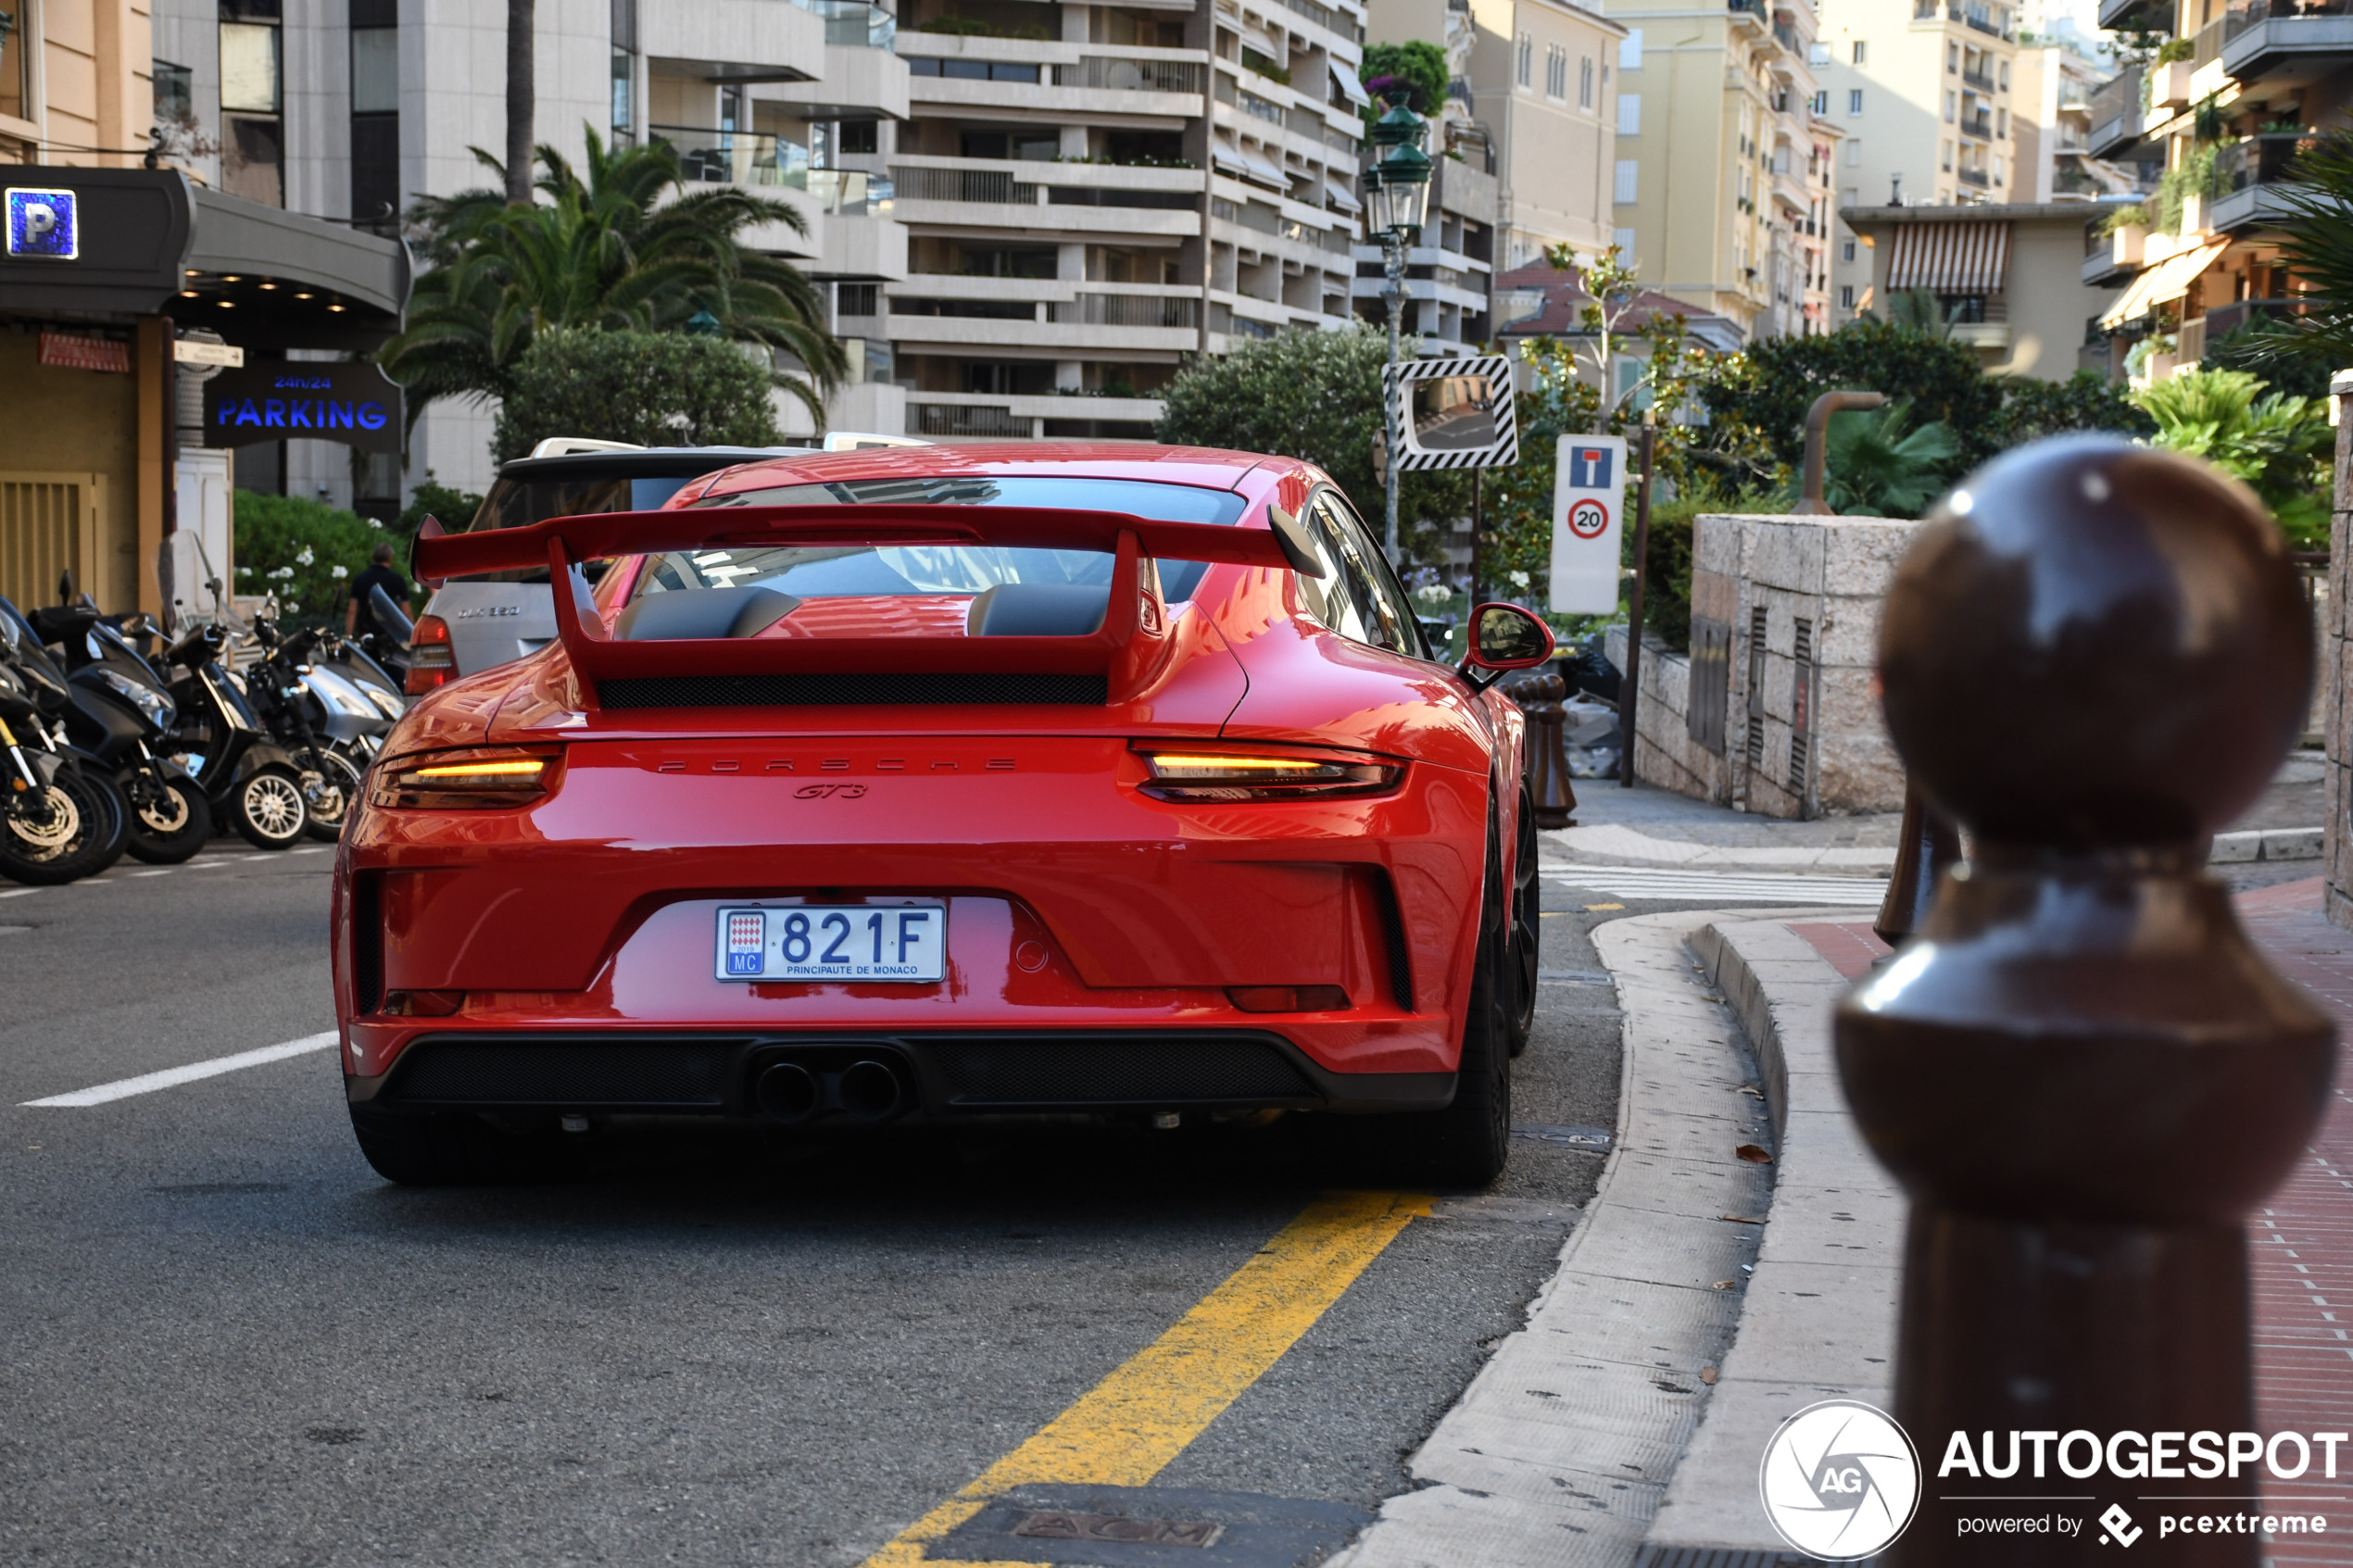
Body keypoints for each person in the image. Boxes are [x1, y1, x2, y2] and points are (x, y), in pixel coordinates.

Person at [346, 543, 409, 640]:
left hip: (366, 634)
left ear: (373, 557)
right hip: (391, 635)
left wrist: (348, 637)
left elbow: (352, 610)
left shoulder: (359, 579)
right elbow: (406, 611)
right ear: (390, 558)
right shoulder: (398, 580)